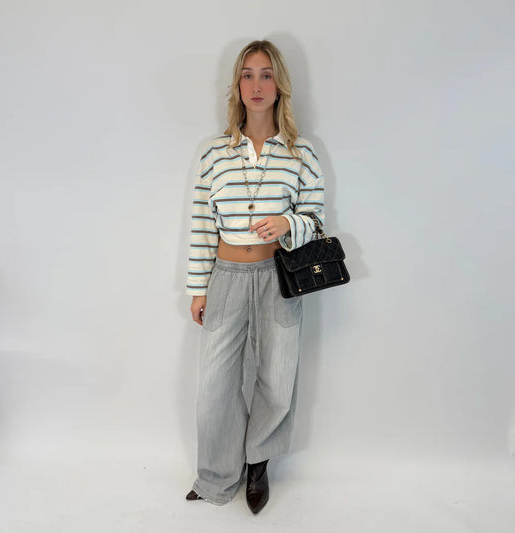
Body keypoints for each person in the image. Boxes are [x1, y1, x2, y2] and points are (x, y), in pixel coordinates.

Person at [185, 40, 325, 514]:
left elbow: (317, 221)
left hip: (279, 277)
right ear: (237, 85)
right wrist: (198, 289)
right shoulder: (214, 153)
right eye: (248, 74)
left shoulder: (302, 152)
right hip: (225, 276)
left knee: (277, 378)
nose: (257, 84)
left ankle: (257, 463)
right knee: (214, 385)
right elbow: (202, 226)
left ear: (279, 85)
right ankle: (217, 475)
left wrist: (288, 223)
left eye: (266, 74)